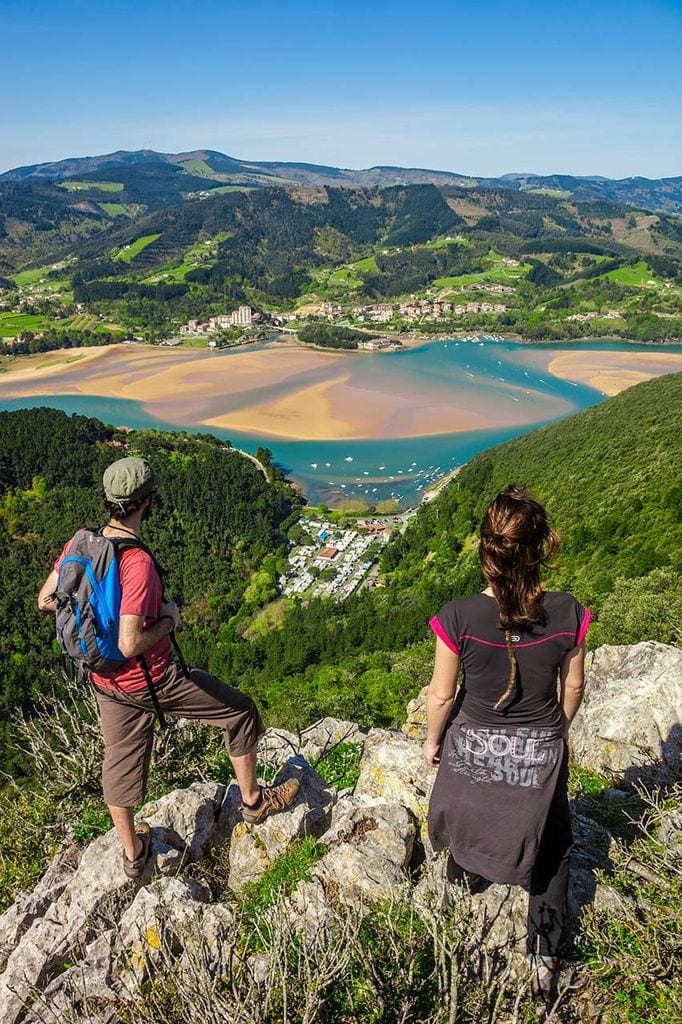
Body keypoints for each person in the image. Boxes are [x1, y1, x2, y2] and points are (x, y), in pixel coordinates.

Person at [38, 456, 299, 879]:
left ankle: (133, 851)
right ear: (146, 503)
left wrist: (93, 622)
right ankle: (253, 802)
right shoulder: (136, 561)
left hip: (104, 680)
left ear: (108, 500)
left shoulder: (80, 543)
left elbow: (46, 600)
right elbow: (130, 641)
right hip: (153, 678)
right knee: (240, 711)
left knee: (118, 762)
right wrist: (168, 620)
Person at [423, 485, 589, 998]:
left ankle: (463, 878)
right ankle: (544, 958)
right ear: (541, 549)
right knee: (553, 845)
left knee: (462, 809)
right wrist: (555, 733)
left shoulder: (458, 616)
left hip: (472, 745)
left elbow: (441, 696)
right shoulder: (568, 612)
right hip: (540, 745)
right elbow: (575, 684)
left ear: (486, 551)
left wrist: (433, 743)